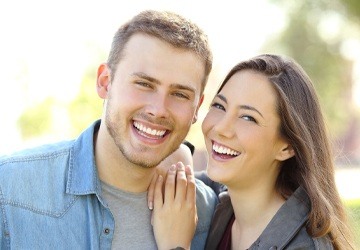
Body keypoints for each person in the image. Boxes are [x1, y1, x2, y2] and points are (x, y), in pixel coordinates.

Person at [0, 10, 218, 249]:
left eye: (179, 94)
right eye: (144, 84)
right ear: (105, 82)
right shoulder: (10, 189)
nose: (158, 110)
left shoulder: (207, 214)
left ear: (197, 107)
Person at [200, 54, 355, 249]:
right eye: (219, 106)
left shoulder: (303, 246)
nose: (221, 128)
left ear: (287, 147)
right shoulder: (217, 206)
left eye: (248, 118)